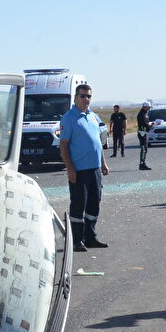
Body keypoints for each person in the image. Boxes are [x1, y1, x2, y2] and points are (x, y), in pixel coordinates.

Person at [59, 84, 110, 252]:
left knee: (94, 203)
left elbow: (98, 143)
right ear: (75, 97)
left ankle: (90, 237)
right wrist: (70, 168)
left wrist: (103, 163)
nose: (86, 99)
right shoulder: (69, 118)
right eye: (83, 96)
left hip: (94, 169)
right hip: (79, 170)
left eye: (89, 96)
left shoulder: (93, 117)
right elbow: (64, 146)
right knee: (79, 204)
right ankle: (76, 240)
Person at [135, 102, 153, 170]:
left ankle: (143, 162)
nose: (149, 108)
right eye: (148, 107)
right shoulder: (141, 114)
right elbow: (145, 124)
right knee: (143, 149)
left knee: (145, 149)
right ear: (145, 107)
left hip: (145, 132)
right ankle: (142, 164)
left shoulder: (145, 114)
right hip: (142, 133)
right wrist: (151, 125)